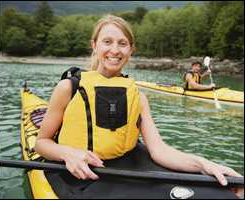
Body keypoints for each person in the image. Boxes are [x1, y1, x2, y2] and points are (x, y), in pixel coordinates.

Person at [34, 15, 243, 198]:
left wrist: (204, 164)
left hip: (130, 164)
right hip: (80, 174)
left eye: (122, 43)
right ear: (94, 45)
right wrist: (67, 153)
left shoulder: (138, 96)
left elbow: (159, 150)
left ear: (131, 50)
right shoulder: (68, 88)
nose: (115, 50)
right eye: (107, 41)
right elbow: (41, 143)